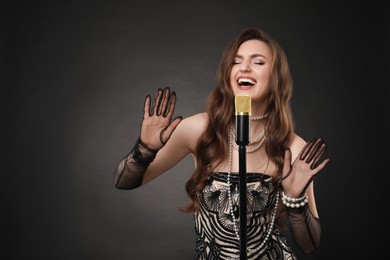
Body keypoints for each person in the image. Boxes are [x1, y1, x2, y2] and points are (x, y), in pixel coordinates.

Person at [114, 26, 330, 260]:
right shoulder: (199, 129)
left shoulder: (294, 147)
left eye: (258, 62)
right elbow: (124, 182)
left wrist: (296, 200)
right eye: (237, 61)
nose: (245, 67)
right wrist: (144, 150)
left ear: (276, 77)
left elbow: (309, 245)